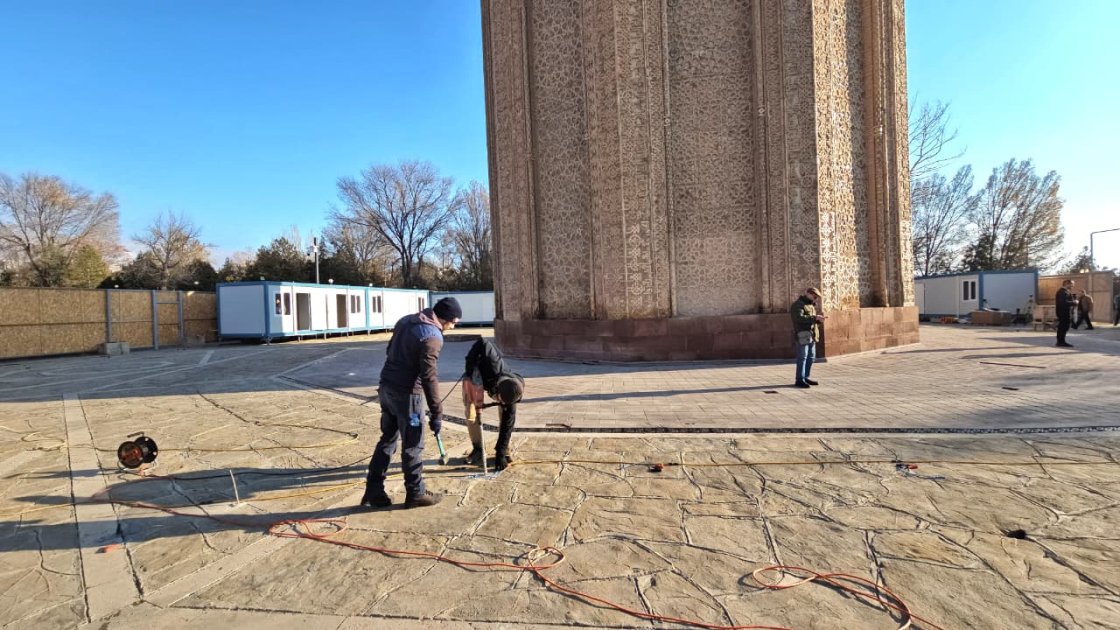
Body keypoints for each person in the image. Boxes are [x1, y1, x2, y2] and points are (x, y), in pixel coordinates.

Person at [360, 297, 462, 509]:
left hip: (386, 386)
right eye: (454, 322)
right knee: (413, 445)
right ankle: (416, 493)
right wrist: (437, 412)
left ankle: (374, 490)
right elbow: (429, 377)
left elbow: (390, 351)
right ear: (444, 319)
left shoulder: (406, 321)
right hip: (407, 396)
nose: (454, 326)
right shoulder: (433, 337)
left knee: (387, 439)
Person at [461, 337, 525, 471]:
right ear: (498, 389)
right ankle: (478, 449)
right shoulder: (492, 361)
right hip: (476, 378)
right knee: (471, 413)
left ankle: (505, 450)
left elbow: (508, 424)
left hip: (493, 385)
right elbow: (483, 342)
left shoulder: (514, 392)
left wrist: (499, 453)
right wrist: (470, 368)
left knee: (506, 417)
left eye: (502, 402)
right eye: (499, 400)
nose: (500, 403)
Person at [790, 287, 826, 388]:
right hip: (803, 334)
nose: (815, 299)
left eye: (816, 297)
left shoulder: (810, 305)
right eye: (814, 296)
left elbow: (811, 320)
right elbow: (799, 318)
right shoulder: (798, 305)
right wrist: (814, 318)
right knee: (802, 357)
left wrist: (818, 320)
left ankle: (805, 377)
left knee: (811, 357)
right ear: (808, 294)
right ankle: (799, 379)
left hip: (812, 335)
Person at [1054, 279, 1078, 347]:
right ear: (1066, 284)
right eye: (1071, 284)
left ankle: (1061, 341)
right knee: (1063, 327)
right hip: (1063, 312)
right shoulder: (1062, 292)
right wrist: (1074, 302)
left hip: (1065, 312)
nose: (1072, 286)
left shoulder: (1066, 291)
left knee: (1064, 327)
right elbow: (1063, 303)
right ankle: (1061, 342)